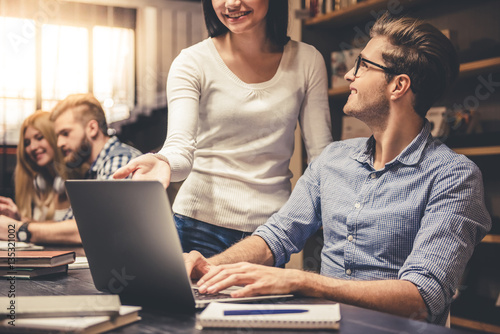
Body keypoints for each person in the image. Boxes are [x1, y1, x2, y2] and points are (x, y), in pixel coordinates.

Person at [183, 12, 492, 326]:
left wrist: (301, 282)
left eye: (363, 65)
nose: (349, 75)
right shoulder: (333, 159)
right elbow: (276, 237)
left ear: (398, 86)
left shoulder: (454, 177)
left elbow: (422, 297)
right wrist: (208, 267)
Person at [113, 0, 333, 257]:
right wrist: (164, 161)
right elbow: (180, 149)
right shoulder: (192, 61)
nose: (231, 3)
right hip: (197, 225)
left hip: (269, 232)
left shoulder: (308, 60)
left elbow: (321, 157)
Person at [0, 93, 142, 244]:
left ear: (92, 128)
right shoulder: (93, 171)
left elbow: (95, 229)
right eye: (58, 136)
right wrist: (21, 219)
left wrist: (18, 229)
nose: (59, 143)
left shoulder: (120, 161)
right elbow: (66, 226)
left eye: (65, 133)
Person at [0, 111, 78, 223]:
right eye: (27, 143)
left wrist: (19, 226)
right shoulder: (39, 184)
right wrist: (18, 219)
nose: (32, 147)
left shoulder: (79, 180)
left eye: (39, 137)